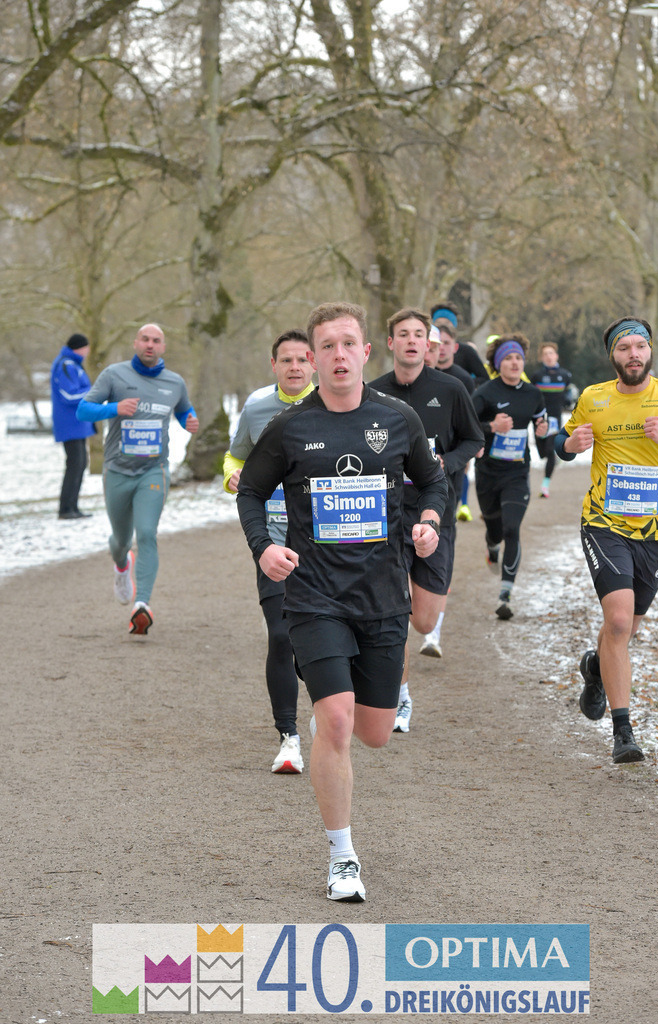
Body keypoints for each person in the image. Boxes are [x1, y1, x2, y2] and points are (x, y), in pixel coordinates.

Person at [237, 301, 447, 901]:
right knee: (336, 720)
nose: (338, 356)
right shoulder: (290, 427)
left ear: (366, 351)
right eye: (326, 346)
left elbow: (433, 481)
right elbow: (250, 491)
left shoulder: (398, 419)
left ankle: (336, 714)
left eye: (347, 344)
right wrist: (263, 549)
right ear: (313, 356)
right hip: (314, 595)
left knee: (375, 734)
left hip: (382, 595)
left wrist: (429, 522)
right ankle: (342, 857)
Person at [555, 316, 658, 764]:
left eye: (639, 346)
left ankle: (596, 668)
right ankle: (623, 732)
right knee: (621, 621)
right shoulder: (594, 398)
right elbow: (561, 442)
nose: (633, 354)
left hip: (656, 530)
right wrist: (569, 446)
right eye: (624, 347)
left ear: (649, 350)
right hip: (604, 524)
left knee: (624, 630)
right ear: (612, 355)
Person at [370, 307, 483, 694]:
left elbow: (474, 438)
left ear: (428, 343)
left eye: (419, 335)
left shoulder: (450, 389)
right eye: (403, 334)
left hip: (436, 513)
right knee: (392, 611)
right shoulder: (373, 392)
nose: (411, 341)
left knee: (423, 620)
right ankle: (398, 694)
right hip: (387, 514)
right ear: (391, 343)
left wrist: (447, 462)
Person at [224, 329, 315, 775]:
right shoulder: (258, 408)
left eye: (302, 359)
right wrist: (232, 476)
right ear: (273, 365)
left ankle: (327, 702)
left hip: (325, 546)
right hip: (273, 541)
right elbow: (235, 457)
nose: (295, 367)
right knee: (280, 635)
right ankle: (289, 738)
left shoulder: (337, 405)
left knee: (318, 639)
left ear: (314, 363)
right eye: (286, 360)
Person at [77, 323, 198, 634]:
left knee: (146, 533)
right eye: (145, 339)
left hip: (153, 471)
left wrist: (189, 420)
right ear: (136, 343)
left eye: (156, 340)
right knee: (121, 541)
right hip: (117, 470)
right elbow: (83, 410)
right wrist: (114, 408)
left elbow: (184, 409)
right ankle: (122, 564)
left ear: (163, 347)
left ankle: (141, 603)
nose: (150, 344)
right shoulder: (114, 375)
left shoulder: (174, 382)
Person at [472, 333, 548, 620]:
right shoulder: (485, 393)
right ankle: (491, 546)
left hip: (517, 472)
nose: (514, 363)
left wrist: (542, 432)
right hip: (488, 473)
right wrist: (492, 426)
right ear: (498, 363)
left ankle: (505, 595)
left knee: (512, 529)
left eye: (518, 358)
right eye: (508, 358)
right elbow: (465, 427)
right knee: (495, 529)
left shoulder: (533, 394)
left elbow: (541, 427)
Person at [50, 333, 96, 520]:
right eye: (86, 346)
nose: (88, 350)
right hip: (70, 424)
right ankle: (66, 509)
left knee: (80, 464)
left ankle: (73, 507)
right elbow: (69, 395)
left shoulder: (73, 364)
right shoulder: (66, 365)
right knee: (75, 465)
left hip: (78, 424)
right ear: (80, 347)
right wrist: (93, 393)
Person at [530, 342, 573, 498]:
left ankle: (545, 486)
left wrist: (568, 400)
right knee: (542, 453)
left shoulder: (565, 375)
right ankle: (553, 457)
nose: (549, 356)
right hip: (539, 418)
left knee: (549, 451)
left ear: (556, 356)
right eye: (545, 354)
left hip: (555, 419)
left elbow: (568, 393)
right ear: (541, 358)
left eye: (551, 353)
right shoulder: (536, 376)